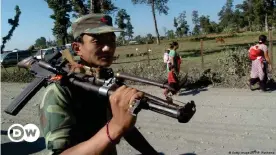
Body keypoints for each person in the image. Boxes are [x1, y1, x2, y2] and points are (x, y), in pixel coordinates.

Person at [39, 13, 159, 155]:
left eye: (111, 40)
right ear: (77, 48)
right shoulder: (61, 90)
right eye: (97, 41)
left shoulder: (105, 81)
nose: (108, 48)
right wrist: (114, 128)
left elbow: (126, 127)